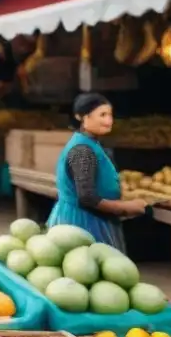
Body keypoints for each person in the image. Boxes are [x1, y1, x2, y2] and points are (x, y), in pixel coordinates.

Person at [47, 93, 146, 249]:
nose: (109, 121)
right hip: (83, 222)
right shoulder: (82, 150)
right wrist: (125, 208)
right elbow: (87, 197)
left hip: (91, 218)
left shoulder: (90, 143)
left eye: (110, 115)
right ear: (83, 118)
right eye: (102, 115)